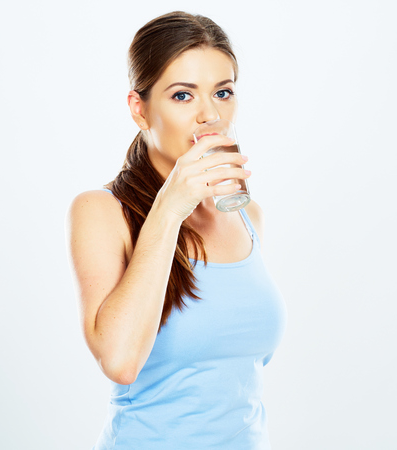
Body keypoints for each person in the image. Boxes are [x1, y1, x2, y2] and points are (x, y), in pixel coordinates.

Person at [66, 11, 287, 449]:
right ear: (140, 109)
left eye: (223, 92)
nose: (210, 115)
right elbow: (120, 361)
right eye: (183, 96)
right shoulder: (102, 211)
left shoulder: (248, 217)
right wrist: (169, 209)